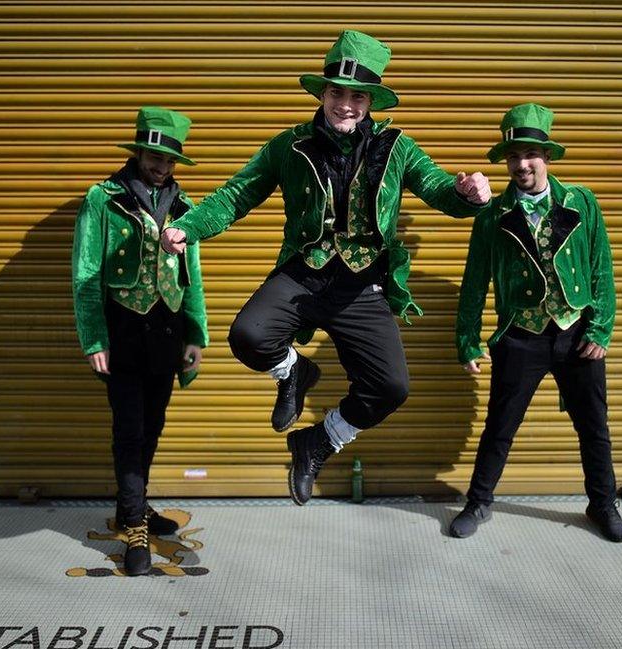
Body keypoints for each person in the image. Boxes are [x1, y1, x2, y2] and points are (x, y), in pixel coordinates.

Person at [161, 30, 490, 505]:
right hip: (304, 273)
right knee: (248, 336)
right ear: (324, 93)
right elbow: (236, 195)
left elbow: (440, 189)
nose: (347, 105)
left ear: (370, 100)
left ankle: (320, 441)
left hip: (362, 285)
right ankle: (294, 372)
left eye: (358, 96)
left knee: (390, 388)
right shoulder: (289, 146)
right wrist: (189, 227)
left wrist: (466, 196)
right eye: (338, 92)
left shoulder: (397, 148)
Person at [451, 103, 622, 542]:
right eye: (513, 156)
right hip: (521, 334)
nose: (521, 164)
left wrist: (601, 328)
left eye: (530, 154)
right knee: (500, 426)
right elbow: (475, 281)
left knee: (594, 426)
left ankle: (602, 505)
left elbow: (600, 268)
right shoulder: (492, 216)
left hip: (576, 332)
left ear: (546, 157)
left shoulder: (581, 202)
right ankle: (478, 503)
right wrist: (468, 339)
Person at [71, 106, 209, 574]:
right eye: (154, 156)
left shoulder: (184, 205)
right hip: (123, 329)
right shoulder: (103, 199)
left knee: (151, 426)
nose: (162, 166)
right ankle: (133, 524)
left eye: (170, 160)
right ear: (138, 151)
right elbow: (86, 274)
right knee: (129, 430)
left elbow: (192, 275)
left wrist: (196, 334)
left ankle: (136, 504)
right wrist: (94, 339)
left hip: (167, 331)